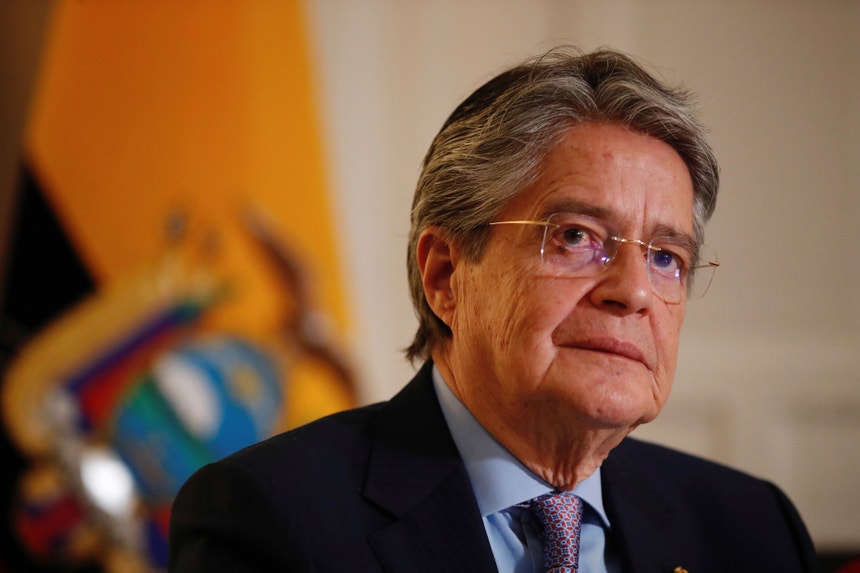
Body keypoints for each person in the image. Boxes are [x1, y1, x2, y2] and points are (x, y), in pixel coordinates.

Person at [168, 47, 818, 572]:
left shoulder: (751, 527)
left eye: (666, 257)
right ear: (446, 275)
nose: (634, 291)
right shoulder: (273, 517)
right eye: (575, 236)